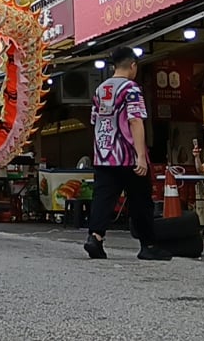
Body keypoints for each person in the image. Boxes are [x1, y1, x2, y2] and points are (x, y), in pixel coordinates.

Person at [83, 46, 171, 261]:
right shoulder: (131, 88)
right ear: (133, 65)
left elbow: (94, 121)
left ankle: (95, 237)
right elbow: (135, 120)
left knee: (103, 198)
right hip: (128, 155)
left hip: (104, 155)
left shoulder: (100, 90)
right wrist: (141, 155)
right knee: (141, 201)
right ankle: (148, 245)